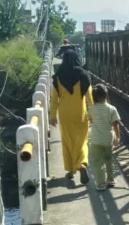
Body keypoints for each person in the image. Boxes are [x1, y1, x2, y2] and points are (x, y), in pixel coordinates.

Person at [49, 49, 93, 183]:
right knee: (82, 140)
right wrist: (92, 114)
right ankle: (83, 163)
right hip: (80, 112)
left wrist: (52, 116)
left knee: (67, 141)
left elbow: (54, 98)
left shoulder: (58, 77)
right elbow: (89, 97)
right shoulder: (84, 75)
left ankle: (71, 171)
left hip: (64, 113)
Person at [87, 84, 121, 191]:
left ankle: (101, 183)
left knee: (98, 162)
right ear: (106, 95)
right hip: (108, 139)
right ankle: (111, 180)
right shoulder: (112, 108)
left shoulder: (91, 109)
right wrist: (117, 138)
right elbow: (116, 124)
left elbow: (91, 120)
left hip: (95, 140)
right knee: (108, 159)